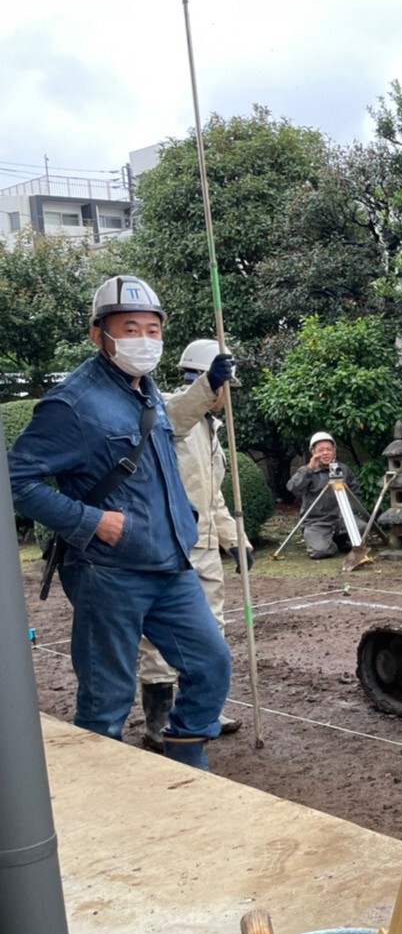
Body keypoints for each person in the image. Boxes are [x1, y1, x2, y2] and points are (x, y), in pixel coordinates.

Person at [8, 276, 234, 770]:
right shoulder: (72, 403)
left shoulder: (146, 392)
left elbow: (167, 442)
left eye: (153, 330)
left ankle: (186, 762)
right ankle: (102, 791)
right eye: (130, 328)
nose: (144, 340)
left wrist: (186, 520)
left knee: (211, 664)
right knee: (106, 697)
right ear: (99, 334)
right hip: (107, 571)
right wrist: (91, 521)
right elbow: (16, 479)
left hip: (171, 564)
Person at [136, 339, 251, 750]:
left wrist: (235, 540)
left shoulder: (210, 428)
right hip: (169, 544)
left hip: (204, 544)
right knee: (162, 638)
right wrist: (208, 385)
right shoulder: (167, 409)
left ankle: (202, 708)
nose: (227, 397)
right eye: (225, 388)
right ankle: (159, 720)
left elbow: (212, 494)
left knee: (210, 630)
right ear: (208, 381)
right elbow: (176, 415)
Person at [285, 432, 366, 559]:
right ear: (313, 452)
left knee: (362, 527)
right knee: (320, 552)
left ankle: (341, 539)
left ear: (334, 451)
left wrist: (350, 514)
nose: (325, 453)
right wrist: (309, 469)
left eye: (329, 449)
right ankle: (326, 542)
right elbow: (293, 488)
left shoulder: (343, 470)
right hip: (316, 522)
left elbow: (355, 494)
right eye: (321, 450)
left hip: (341, 520)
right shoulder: (307, 471)